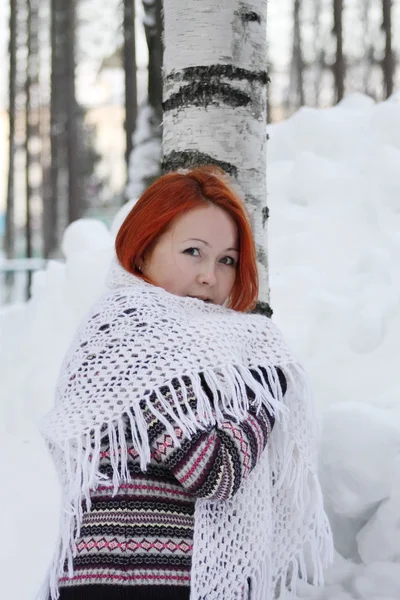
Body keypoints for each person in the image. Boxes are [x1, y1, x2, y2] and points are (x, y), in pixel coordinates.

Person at [38, 166, 332, 600]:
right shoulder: (132, 334)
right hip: (136, 583)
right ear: (143, 249)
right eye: (193, 251)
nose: (210, 276)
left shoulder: (186, 346)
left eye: (226, 260)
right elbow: (212, 469)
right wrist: (266, 390)